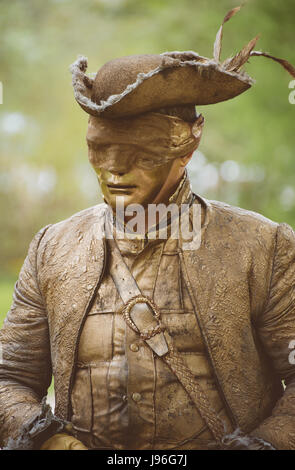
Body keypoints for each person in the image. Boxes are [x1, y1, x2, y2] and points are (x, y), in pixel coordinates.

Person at [1, 6, 295, 450]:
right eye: (102, 151)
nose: (114, 171)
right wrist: (49, 442)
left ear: (187, 149)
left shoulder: (263, 247)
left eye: (139, 153)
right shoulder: (53, 248)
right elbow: (10, 378)